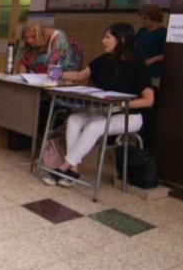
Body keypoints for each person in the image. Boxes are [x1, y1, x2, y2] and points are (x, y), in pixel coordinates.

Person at [43, 22, 154, 187]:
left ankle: (63, 167)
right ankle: (75, 168)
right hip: (105, 111)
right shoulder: (105, 59)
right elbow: (81, 75)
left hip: (129, 116)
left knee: (93, 127)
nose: (103, 41)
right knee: (74, 120)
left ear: (121, 40)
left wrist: (121, 104)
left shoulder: (138, 66)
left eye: (108, 37)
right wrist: (57, 73)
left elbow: (149, 100)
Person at [16, 20, 83, 74]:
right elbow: (22, 62)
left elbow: (55, 72)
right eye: (26, 37)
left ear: (41, 35)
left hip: (65, 73)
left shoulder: (59, 42)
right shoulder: (26, 42)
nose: (29, 41)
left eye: (33, 37)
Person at [135, 4, 166, 87]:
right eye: (141, 18)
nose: (142, 21)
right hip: (139, 71)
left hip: (154, 73)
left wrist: (153, 59)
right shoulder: (142, 31)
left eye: (145, 18)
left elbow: (168, 54)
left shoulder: (163, 33)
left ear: (154, 18)